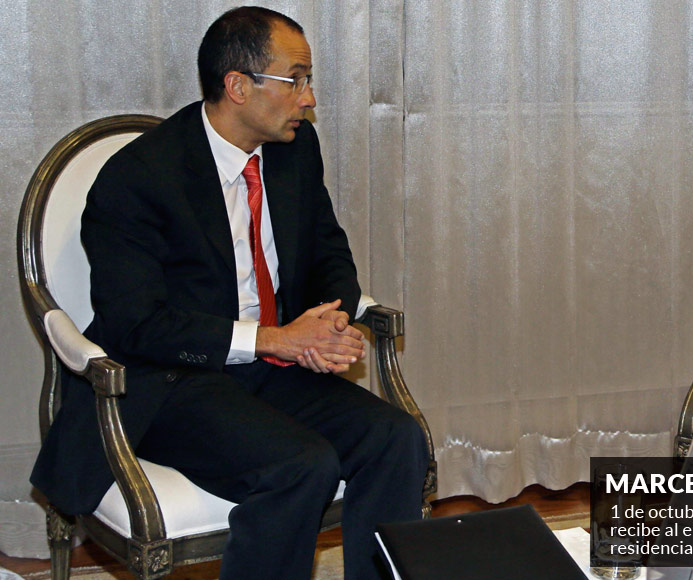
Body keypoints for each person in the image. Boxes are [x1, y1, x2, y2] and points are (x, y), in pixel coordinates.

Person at [31, 7, 428, 579]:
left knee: (396, 438)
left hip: (272, 369)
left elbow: (327, 250)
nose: (309, 98)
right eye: (296, 80)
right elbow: (132, 322)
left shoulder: (294, 149)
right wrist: (273, 339)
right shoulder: (139, 177)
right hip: (171, 380)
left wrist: (328, 321)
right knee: (301, 465)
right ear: (238, 85)